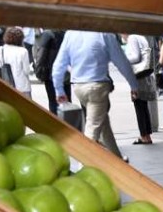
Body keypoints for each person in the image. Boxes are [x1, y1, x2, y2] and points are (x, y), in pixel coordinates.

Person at [52, 31, 139, 159]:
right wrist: (134, 85)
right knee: (92, 128)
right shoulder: (104, 34)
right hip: (97, 87)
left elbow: (59, 64)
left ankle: (117, 159)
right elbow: (121, 61)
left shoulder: (71, 34)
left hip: (78, 87)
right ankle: (82, 167)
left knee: (103, 124)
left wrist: (59, 89)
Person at [124, 33, 156, 145]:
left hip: (137, 76)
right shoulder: (141, 36)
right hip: (144, 75)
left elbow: (136, 57)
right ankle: (147, 135)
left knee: (138, 105)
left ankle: (143, 136)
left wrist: (123, 58)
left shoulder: (132, 38)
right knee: (143, 105)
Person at [34, 29, 70, 115]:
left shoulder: (47, 34)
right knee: (67, 103)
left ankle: (57, 125)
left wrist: (39, 72)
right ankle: (68, 124)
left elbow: (40, 55)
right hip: (65, 73)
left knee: (53, 103)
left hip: (51, 73)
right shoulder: (66, 34)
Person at [0, 27, 33, 99]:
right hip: (22, 86)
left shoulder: (0, 49)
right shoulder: (23, 51)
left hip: (6, 84)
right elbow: (26, 71)